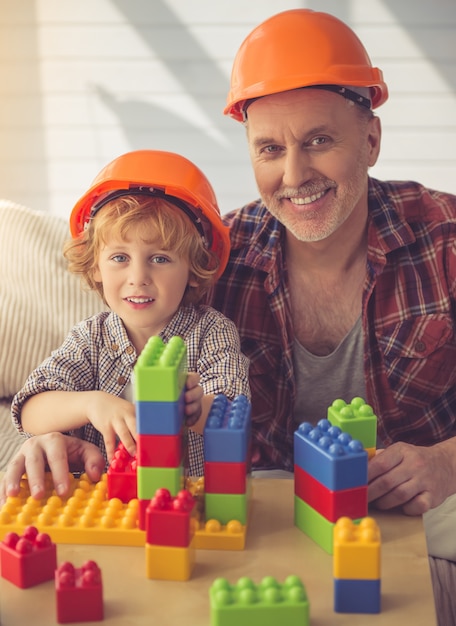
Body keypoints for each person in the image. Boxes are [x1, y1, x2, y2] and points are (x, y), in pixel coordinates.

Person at [208, 7, 456, 528]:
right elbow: (115, 363)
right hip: (270, 518)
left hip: (423, 515)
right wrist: (59, 431)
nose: (294, 175)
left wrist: (447, 462)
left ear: (370, 141)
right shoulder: (215, 260)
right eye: (270, 149)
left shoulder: (445, 237)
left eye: (319, 141)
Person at [5, 149, 250, 496]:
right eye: (119, 257)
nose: (138, 277)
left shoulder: (212, 332)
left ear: (195, 269)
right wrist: (92, 403)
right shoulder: (90, 337)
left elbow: (234, 412)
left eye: (160, 258)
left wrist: (196, 410)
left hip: (187, 501)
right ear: (95, 267)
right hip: (107, 501)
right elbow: (31, 410)